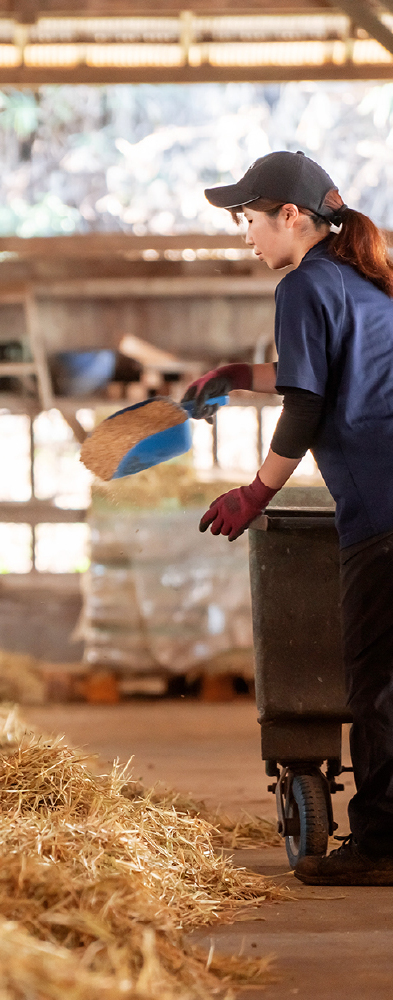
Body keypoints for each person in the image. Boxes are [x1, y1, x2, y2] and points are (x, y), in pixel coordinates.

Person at [188, 150, 393, 886]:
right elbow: (322, 371)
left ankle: (380, 846)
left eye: (249, 218)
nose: (245, 234)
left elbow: (308, 403)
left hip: (382, 502)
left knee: (376, 683)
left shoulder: (303, 285)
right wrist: (241, 377)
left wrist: (257, 491)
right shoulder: (364, 280)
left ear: (291, 217)